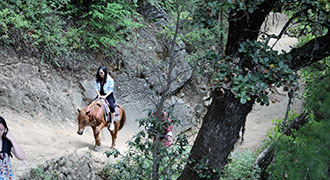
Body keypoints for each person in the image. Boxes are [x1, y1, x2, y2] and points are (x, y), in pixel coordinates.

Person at [94, 66, 116, 131]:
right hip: (100, 95)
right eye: (99, 73)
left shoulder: (110, 80)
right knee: (92, 104)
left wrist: (105, 96)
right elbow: (96, 88)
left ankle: (112, 122)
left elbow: (110, 90)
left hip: (108, 95)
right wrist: (99, 95)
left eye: (101, 73)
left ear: (105, 73)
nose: (100, 74)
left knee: (112, 107)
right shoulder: (97, 79)